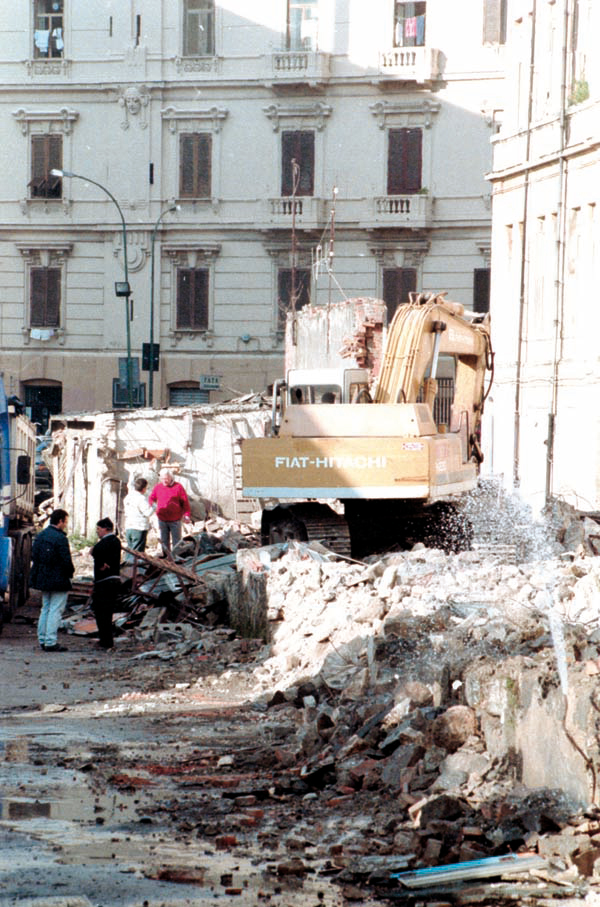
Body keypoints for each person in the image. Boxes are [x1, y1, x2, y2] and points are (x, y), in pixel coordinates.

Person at [31, 508, 74, 652]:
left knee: (46, 608)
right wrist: (70, 573)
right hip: (59, 578)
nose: (65, 525)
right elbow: (66, 560)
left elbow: (34, 556)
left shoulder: (41, 536)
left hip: (43, 577)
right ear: (60, 521)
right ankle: (51, 641)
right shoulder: (61, 538)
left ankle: (42, 639)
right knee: (56, 610)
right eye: (65, 522)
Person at [90, 517, 122, 650]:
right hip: (110, 580)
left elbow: (95, 551)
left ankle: (105, 641)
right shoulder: (114, 541)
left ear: (105, 529)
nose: (97, 532)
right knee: (105, 613)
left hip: (105, 582)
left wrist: (94, 552)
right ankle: (105, 639)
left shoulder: (108, 541)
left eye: (99, 529)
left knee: (102, 612)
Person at [148, 468, 192, 557]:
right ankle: (166, 557)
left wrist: (186, 515)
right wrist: (151, 507)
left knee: (177, 541)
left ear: (171, 478)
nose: (164, 481)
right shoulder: (158, 487)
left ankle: (177, 558)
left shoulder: (178, 487)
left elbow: (185, 502)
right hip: (162, 519)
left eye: (166, 479)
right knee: (164, 540)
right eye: (162, 478)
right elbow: (151, 498)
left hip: (175, 519)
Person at [123, 477, 154, 560]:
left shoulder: (128, 497)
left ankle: (127, 567)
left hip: (129, 527)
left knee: (130, 549)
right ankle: (133, 570)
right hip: (139, 527)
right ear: (144, 489)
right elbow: (148, 513)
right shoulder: (141, 499)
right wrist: (154, 506)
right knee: (137, 552)